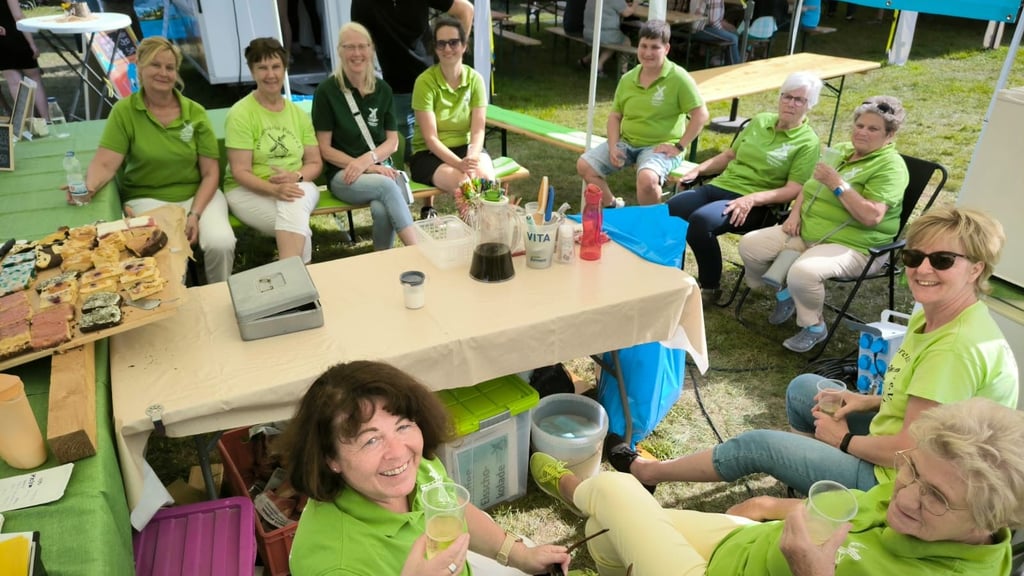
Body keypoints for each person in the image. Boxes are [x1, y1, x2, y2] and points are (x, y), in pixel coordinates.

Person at [605, 206, 1018, 496]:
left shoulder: (956, 350)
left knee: (759, 445)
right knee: (807, 388)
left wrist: (841, 442)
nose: (923, 269)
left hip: (913, 482)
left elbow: (909, 451)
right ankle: (812, 473)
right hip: (911, 447)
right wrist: (865, 399)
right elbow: (926, 406)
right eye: (914, 255)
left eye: (943, 260)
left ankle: (649, 471)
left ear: (977, 268)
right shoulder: (935, 312)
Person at [531, 398, 1024, 576]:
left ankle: (573, 487)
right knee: (603, 529)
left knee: (616, 496)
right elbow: (855, 503)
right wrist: (769, 504)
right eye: (911, 469)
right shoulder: (913, 490)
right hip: (745, 546)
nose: (907, 494)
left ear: (990, 521)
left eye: (936, 497)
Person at [284, 361, 571, 576]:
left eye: (403, 425)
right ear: (330, 458)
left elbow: (450, 507)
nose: (399, 452)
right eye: (370, 440)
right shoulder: (334, 566)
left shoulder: (413, 468)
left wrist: (519, 554)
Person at [737, 96, 910, 352]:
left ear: (890, 135)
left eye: (873, 129)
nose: (862, 132)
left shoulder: (891, 167)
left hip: (854, 245)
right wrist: (794, 214)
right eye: (859, 125)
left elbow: (871, 216)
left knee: (803, 273)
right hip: (805, 230)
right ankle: (787, 294)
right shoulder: (840, 150)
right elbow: (808, 187)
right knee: (750, 245)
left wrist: (837, 184)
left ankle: (814, 326)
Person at [80, 36, 235, 283]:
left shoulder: (195, 112)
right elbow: (105, 163)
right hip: (147, 197)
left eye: (170, 67)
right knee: (170, 252)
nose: (163, 73)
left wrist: (194, 214)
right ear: (140, 67)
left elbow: (210, 174)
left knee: (221, 242)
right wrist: (86, 189)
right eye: (155, 65)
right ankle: (176, 309)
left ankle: (220, 295)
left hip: (198, 194)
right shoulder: (125, 111)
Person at [667, 71, 823, 302]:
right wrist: (700, 169)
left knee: (701, 222)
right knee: (671, 208)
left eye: (799, 100)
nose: (790, 103)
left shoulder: (808, 142)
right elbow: (730, 155)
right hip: (722, 185)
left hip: (758, 205)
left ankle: (709, 287)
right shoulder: (760, 121)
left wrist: (752, 199)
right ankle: (668, 273)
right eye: (786, 96)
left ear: (810, 105)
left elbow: (794, 189)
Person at [577, 20, 708, 207]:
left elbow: (701, 114)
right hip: (627, 143)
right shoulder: (627, 78)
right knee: (585, 166)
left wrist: (678, 147)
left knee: (647, 179)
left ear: (667, 49)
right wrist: (614, 146)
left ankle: (650, 228)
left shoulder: (679, 77)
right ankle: (613, 206)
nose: (647, 53)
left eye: (655, 47)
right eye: (643, 46)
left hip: (659, 147)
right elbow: (615, 116)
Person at [312, 22, 417, 251]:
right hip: (343, 175)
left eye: (362, 46)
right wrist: (366, 166)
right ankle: (418, 250)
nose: (357, 53)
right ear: (339, 51)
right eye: (349, 47)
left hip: (376, 169)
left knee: (381, 208)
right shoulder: (327, 91)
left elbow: (393, 141)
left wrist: (367, 161)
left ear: (371, 50)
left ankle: (382, 259)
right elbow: (325, 149)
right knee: (387, 188)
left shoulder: (383, 89)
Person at [224, 37, 322, 264]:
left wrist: (297, 176)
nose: (271, 74)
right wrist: (273, 189)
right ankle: (300, 287)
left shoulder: (297, 114)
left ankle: (290, 284)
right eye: (262, 68)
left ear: (284, 68)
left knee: (295, 205)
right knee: (300, 230)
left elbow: (314, 162)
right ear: (252, 71)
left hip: (298, 185)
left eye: (276, 66)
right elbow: (240, 172)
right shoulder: (240, 114)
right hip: (247, 190)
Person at [351, 0, 473, 165]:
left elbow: (465, 10)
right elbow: (358, 40)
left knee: (439, 149)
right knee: (409, 156)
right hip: (396, 88)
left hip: (434, 82)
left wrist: (456, 57)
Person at [409, 16, 494, 216]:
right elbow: (430, 140)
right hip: (429, 155)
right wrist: (460, 164)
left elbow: (478, 129)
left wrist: (471, 158)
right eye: (441, 43)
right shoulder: (424, 82)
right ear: (435, 49)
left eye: (454, 42)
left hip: (466, 148)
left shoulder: (475, 79)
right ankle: (477, 236)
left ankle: (486, 234)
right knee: (465, 186)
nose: (447, 49)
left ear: (464, 46)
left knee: (487, 183)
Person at [1, 0, 49, 120]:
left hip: (1, 41)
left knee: (14, 82)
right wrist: (32, 43)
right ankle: (46, 120)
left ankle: (27, 123)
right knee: (34, 78)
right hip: (16, 36)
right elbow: (18, 16)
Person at [580, 0, 635, 77]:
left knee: (609, 41)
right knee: (625, 41)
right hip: (603, 34)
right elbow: (627, 13)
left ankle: (586, 60)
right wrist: (636, 3)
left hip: (588, 32)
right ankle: (623, 71)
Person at [690, 0, 740, 66]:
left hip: (702, 25)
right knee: (733, 38)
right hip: (699, 28)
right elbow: (714, 22)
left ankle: (728, 64)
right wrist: (724, 31)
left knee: (733, 34)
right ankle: (735, 67)